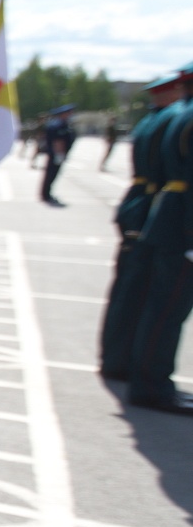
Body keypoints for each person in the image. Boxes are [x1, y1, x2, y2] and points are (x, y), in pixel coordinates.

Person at [101, 69, 186, 380]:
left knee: (132, 291)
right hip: (162, 209)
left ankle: (119, 359)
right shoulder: (177, 116)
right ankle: (146, 376)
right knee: (156, 300)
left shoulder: (156, 119)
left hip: (145, 203)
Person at [126, 61, 193, 414]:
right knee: (167, 309)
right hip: (180, 222)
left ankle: (146, 379)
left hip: (168, 213)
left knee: (158, 305)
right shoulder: (183, 115)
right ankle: (152, 385)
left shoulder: (178, 114)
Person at [40, 105, 76, 205]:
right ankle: (46, 195)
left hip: (55, 154)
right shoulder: (59, 125)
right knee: (51, 175)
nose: (70, 115)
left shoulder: (59, 124)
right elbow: (58, 141)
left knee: (51, 175)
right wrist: (59, 155)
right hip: (56, 154)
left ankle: (46, 194)